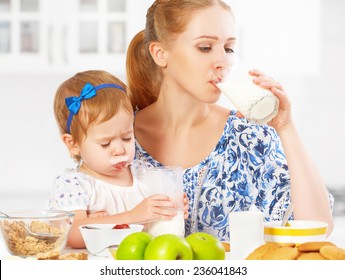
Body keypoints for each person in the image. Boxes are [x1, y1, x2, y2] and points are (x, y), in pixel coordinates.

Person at [126, 0, 334, 241]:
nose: (223, 61)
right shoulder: (118, 137)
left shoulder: (249, 137)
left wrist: (285, 128)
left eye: (228, 48)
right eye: (205, 47)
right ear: (160, 54)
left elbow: (317, 229)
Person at [46, 70, 185, 248]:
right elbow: (71, 234)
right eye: (105, 144)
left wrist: (170, 210)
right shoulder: (74, 184)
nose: (120, 150)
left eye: (127, 138)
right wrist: (132, 216)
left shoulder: (143, 173)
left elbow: (155, 225)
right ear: (73, 144)